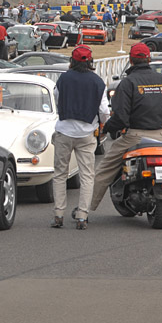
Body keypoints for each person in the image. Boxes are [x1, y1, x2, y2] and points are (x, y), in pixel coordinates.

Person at [89, 43, 162, 214]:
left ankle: (86, 209)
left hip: (135, 136)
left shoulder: (128, 83)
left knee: (103, 170)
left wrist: (107, 128)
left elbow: (120, 117)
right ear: (149, 59)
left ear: (130, 60)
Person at [51, 45, 109, 230]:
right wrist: (102, 124)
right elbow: (104, 111)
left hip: (64, 131)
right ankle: (82, 216)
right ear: (90, 61)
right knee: (87, 176)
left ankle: (59, 214)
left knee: (60, 174)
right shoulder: (98, 82)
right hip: (86, 133)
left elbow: (56, 98)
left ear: (72, 61)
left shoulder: (63, 78)